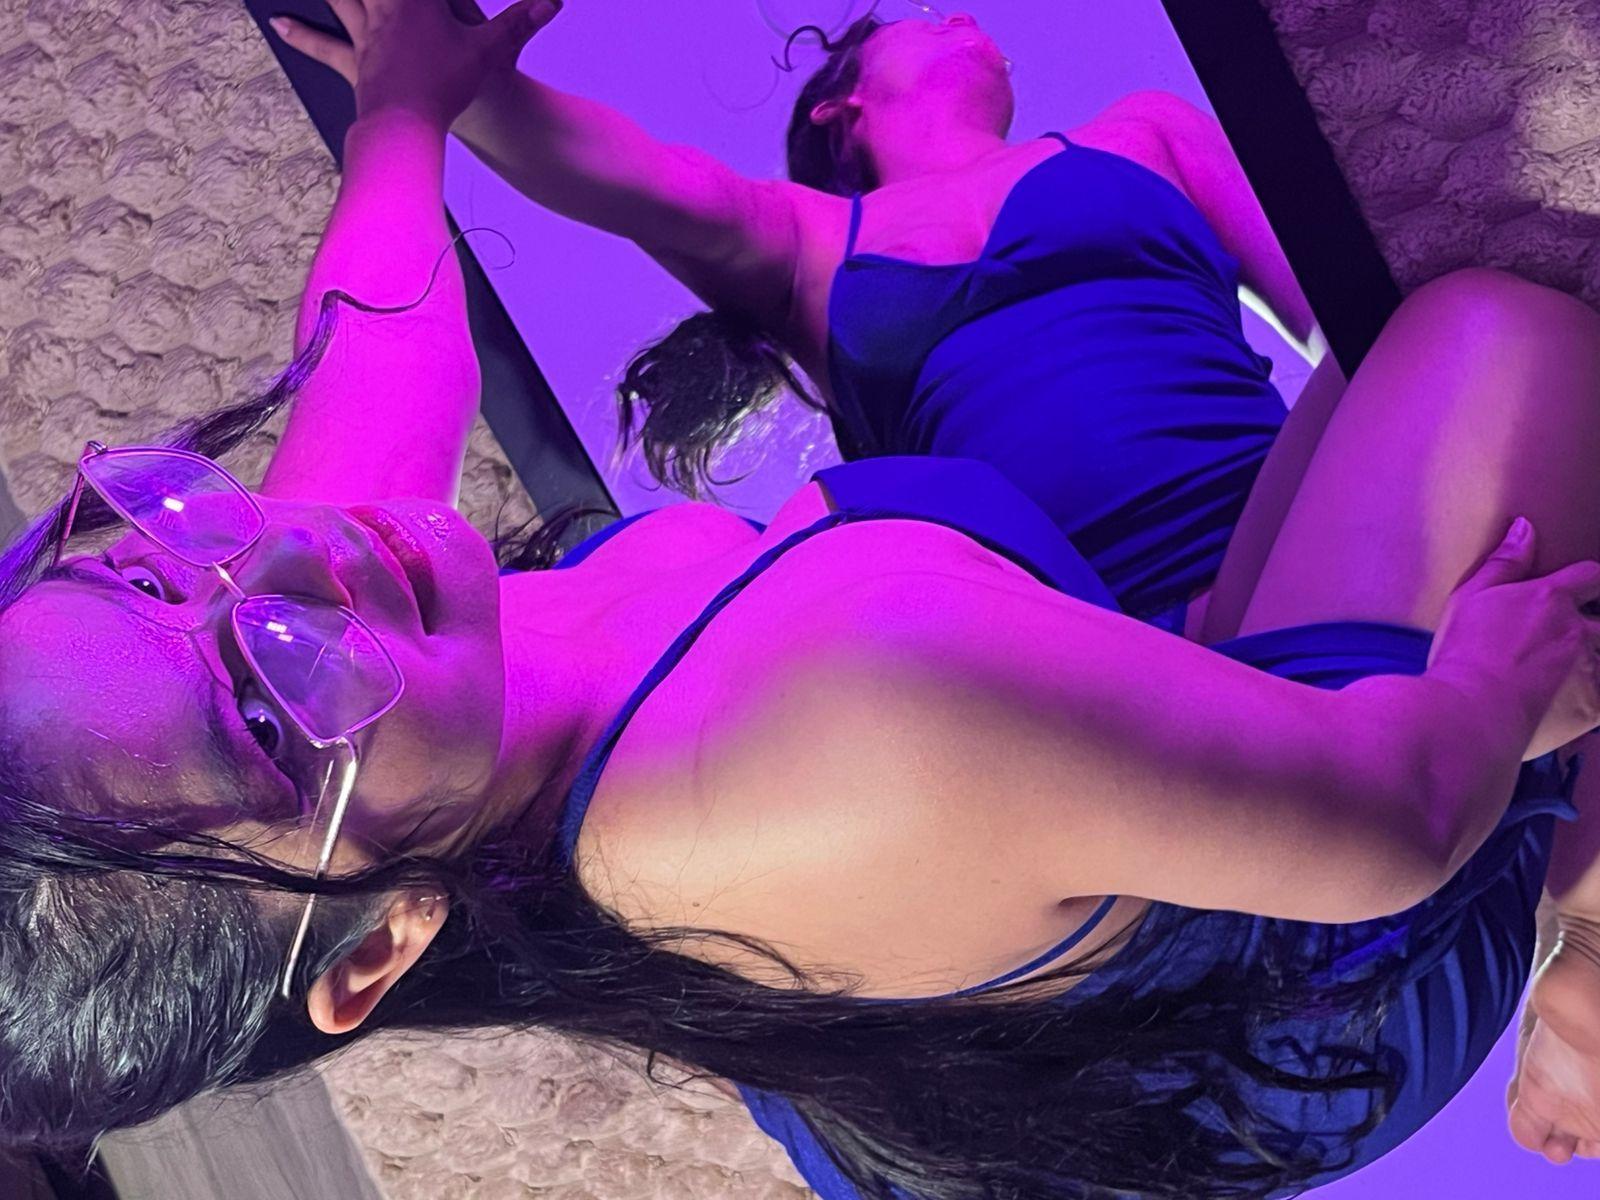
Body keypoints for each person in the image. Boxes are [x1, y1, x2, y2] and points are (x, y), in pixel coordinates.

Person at [4, 4, 1600, 1198]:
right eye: (264, 696)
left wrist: (403, 109)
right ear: (378, 946)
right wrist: (1483, 700)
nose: (287, 558)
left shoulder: (342, 616)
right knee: (1500, 346)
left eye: (143, 558)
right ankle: (1572, 943)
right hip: (1291, 999)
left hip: (1040, 803)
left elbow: (379, 342)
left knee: (1385, 377)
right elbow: (1386, 822)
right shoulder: (830, 729)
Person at [271, 0, 1334, 642]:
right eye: (926, 16)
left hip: (1297, 531)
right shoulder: (809, 241)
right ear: (841, 103)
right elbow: (618, 170)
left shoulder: (1145, 134)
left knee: (1435, 331)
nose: (967, 19)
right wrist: (431, 82)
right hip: (1076, 644)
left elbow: (1349, 317)